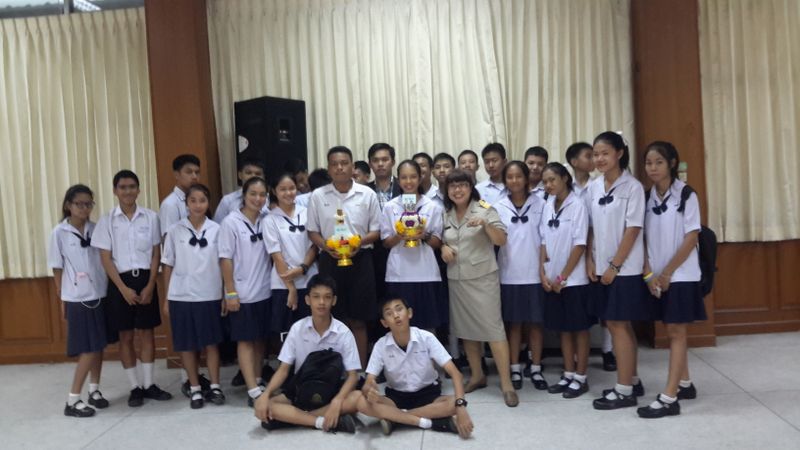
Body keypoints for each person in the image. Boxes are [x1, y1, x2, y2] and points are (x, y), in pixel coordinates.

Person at [92, 170, 172, 407]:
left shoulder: (151, 217)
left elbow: (156, 254)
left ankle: (149, 384)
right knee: (125, 336)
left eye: (132, 187)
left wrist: (150, 284)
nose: (127, 191)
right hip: (120, 283)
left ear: (138, 189)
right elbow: (105, 258)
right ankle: (135, 387)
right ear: (115, 191)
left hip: (145, 279)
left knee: (147, 333)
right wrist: (122, 288)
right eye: (123, 187)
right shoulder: (107, 220)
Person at [638, 141, 707, 418]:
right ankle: (685, 383)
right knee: (671, 330)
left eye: (659, 162)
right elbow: (642, 238)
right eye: (648, 163)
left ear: (672, 163)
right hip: (656, 277)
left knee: (677, 332)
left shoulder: (687, 194)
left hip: (681, 276)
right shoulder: (646, 197)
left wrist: (668, 273)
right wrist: (649, 274)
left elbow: (692, 237)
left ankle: (669, 398)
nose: (652, 168)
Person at [587, 131, 653, 410]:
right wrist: (591, 260)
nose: (599, 159)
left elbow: (633, 229)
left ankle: (624, 390)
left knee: (618, 325)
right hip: (601, 267)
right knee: (618, 325)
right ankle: (632, 380)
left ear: (619, 153)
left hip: (624, 270)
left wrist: (615, 265)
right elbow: (591, 227)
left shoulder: (632, 187)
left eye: (605, 153)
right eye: (596, 154)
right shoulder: (593, 187)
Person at [440, 169, 518, 407]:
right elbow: (443, 239)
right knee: (466, 330)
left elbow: (501, 239)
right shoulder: (446, 213)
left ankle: (506, 384)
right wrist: (443, 247)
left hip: (483, 279)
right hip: (457, 279)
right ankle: (477, 376)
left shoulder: (484, 209)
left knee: (494, 331)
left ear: (470, 187)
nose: (457, 190)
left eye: (462, 185)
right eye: (453, 186)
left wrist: (485, 225)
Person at [254, 274, 361, 433]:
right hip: (300, 390)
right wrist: (266, 394)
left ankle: (295, 418)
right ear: (307, 300)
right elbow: (283, 370)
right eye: (316, 297)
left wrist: (338, 400)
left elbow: (353, 376)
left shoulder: (344, 332)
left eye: (327, 297)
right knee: (265, 405)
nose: (321, 302)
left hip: (331, 391)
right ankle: (323, 421)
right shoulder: (297, 328)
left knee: (357, 397)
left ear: (334, 300)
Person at [354, 297, 473, 438]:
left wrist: (460, 405)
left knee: (453, 403)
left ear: (409, 313)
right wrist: (369, 390)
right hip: (396, 397)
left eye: (399, 309)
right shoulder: (381, 345)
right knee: (361, 402)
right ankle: (428, 422)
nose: (396, 315)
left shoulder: (426, 337)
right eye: (389, 313)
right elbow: (369, 382)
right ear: (384, 323)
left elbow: (456, 374)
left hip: (428, 394)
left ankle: (396, 419)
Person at [307, 146, 381, 369]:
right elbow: (312, 231)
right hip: (330, 261)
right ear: (329, 168)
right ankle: (335, 370)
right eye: (334, 164)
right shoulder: (318, 195)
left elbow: (376, 231)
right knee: (332, 318)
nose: (339, 168)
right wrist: (326, 246)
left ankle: (359, 370)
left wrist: (358, 242)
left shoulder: (367, 194)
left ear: (352, 166)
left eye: (344, 163)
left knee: (359, 319)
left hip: (361, 260)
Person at [161, 184, 225, 409]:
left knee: (211, 344)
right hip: (182, 296)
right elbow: (167, 265)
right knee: (187, 345)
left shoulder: (217, 229)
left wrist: (225, 294)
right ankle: (195, 388)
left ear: (208, 203)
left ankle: (215, 386)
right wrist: (167, 298)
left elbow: (224, 263)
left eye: (202, 200)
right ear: (186, 203)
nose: (198, 205)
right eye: (193, 200)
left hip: (210, 294)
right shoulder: (175, 230)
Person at [48, 185, 109, 417]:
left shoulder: (97, 229)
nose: (84, 208)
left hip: (99, 293)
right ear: (68, 205)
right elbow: (56, 267)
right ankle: (73, 400)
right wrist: (61, 296)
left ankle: (94, 390)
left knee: (98, 345)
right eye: (79, 204)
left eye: (88, 204)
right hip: (77, 297)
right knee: (88, 348)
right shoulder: (59, 232)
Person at [539, 163, 595, 399]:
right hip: (552, 280)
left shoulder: (578, 205)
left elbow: (580, 245)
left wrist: (562, 276)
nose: (548, 185)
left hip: (573, 281)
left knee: (579, 329)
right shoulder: (547, 205)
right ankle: (568, 372)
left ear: (565, 178)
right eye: (545, 181)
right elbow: (543, 241)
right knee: (563, 329)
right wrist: (543, 273)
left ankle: (581, 376)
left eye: (552, 180)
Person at [219, 177, 273, 407]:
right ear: (244, 195)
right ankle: (251, 389)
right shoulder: (231, 222)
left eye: (262, 195)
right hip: (242, 292)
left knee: (260, 339)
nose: (258, 199)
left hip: (265, 290)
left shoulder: (267, 219)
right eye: (253, 194)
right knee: (245, 340)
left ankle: (258, 380)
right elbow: (225, 258)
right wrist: (230, 292)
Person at [494, 161, 547, 391]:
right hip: (509, 273)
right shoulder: (498, 206)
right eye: (510, 177)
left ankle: (535, 367)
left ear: (526, 178)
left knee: (535, 324)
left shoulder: (541, 203)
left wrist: (544, 269)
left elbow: (545, 239)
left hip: (535, 273)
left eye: (518, 176)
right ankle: (514, 367)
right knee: (513, 324)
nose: (514, 181)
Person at [566, 142, 616, 371]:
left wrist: (590, 258)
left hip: (597, 253)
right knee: (578, 311)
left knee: (604, 307)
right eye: (589, 155)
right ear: (574, 161)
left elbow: (595, 226)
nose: (594, 160)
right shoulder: (564, 186)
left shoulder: (599, 186)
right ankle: (575, 357)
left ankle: (608, 350)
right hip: (571, 255)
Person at [380, 160, 445, 331]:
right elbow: (386, 242)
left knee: (428, 324)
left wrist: (423, 235)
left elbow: (437, 242)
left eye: (413, 177)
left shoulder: (432, 207)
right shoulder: (390, 207)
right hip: (399, 273)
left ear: (420, 178)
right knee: (399, 323)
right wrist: (399, 235)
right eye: (404, 177)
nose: (408, 182)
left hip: (426, 272)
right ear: (398, 179)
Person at [265, 174, 318, 335]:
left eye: (292, 188)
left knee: (311, 331)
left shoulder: (307, 212)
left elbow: (314, 246)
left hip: (309, 280)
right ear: (274, 191)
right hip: (283, 285)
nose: (288, 193)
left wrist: (303, 268)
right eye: (283, 189)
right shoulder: (269, 219)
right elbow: (276, 255)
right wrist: (291, 288)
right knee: (287, 334)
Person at [159, 154, 201, 237]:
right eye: (189, 172)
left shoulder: (200, 201)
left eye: (197, 172)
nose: (194, 176)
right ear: (176, 175)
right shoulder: (170, 204)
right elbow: (168, 238)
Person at [213, 158, 266, 223]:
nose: (253, 176)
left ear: (263, 177)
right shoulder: (227, 201)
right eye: (248, 173)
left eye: (258, 174)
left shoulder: (269, 200)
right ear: (240, 175)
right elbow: (218, 226)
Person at [367, 142, 402, 208]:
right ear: (370, 164)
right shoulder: (365, 190)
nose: (380, 164)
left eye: (385, 160)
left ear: (393, 162)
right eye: (375, 160)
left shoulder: (405, 187)